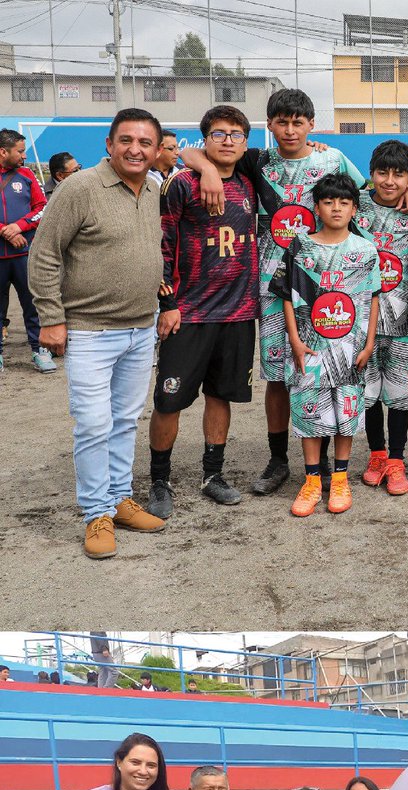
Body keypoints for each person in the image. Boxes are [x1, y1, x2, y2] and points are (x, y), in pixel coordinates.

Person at [181, 89, 367, 498]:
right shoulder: (258, 160)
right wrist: (206, 168)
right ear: (269, 125)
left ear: (311, 124)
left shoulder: (331, 159)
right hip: (270, 287)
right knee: (280, 376)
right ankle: (279, 460)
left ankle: (324, 466)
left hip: (324, 286)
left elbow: (365, 194)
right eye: (282, 122)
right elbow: (186, 152)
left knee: (324, 368)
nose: (290, 130)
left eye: (298, 123)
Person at [29, 108, 167, 559]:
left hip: (140, 328)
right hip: (89, 331)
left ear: (156, 149)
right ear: (109, 144)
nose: (135, 149)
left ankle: (120, 499)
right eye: (126, 140)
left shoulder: (154, 188)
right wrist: (51, 317)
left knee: (125, 421)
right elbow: (45, 254)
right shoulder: (79, 188)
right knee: (93, 425)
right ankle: (96, 513)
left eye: (145, 143)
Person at [146, 105, 258, 519]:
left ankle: (213, 475)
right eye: (218, 133)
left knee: (220, 396)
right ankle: (160, 480)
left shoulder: (250, 181)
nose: (227, 140)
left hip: (238, 313)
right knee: (169, 400)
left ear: (245, 143)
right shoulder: (181, 184)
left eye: (236, 134)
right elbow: (162, 245)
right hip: (189, 313)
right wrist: (167, 303)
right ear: (205, 139)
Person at [271, 172, 380, 517]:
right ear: (316, 207)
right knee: (309, 411)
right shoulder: (300, 246)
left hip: (351, 348)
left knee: (346, 412)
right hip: (310, 347)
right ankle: (312, 481)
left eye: (344, 202)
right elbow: (287, 296)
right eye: (329, 202)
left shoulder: (365, 250)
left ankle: (341, 478)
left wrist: (369, 344)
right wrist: (294, 339)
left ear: (354, 209)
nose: (336, 208)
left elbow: (373, 298)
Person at [357, 140, 408, 496]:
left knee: (400, 395)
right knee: (369, 392)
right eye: (382, 173)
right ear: (371, 174)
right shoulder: (355, 205)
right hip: (362, 322)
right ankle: (376, 454)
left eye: (399, 175)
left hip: (404, 322)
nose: (389, 181)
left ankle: (397, 459)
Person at [0, 128, 55, 374]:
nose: (24, 156)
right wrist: (6, 231)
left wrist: (19, 226)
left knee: (33, 305)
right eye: (20, 151)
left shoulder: (27, 175)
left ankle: (39, 350)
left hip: (25, 255)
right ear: (3, 152)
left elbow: (42, 208)